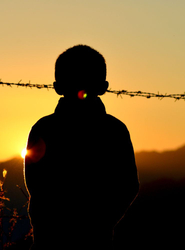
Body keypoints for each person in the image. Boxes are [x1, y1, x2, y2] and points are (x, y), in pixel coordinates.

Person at [24, 45, 139, 249]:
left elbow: (36, 185)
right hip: (96, 237)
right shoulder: (114, 130)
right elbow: (127, 185)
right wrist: (102, 222)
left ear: (57, 87)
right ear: (104, 87)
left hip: (50, 238)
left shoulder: (43, 128)